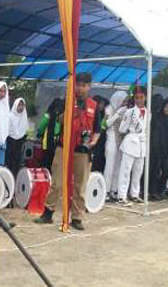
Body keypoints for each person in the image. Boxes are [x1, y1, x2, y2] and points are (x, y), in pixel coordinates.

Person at [35, 72, 99, 230]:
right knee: (57, 182)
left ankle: (77, 218)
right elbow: (58, 121)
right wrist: (72, 110)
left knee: (79, 186)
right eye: (78, 85)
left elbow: (97, 129)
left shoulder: (94, 106)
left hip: (83, 151)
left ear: (89, 87)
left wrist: (93, 142)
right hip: (64, 147)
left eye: (84, 85)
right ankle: (48, 213)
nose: (80, 88)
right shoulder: (67, 101)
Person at [116, 86, 148, 205]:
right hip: (130, 143)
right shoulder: (130, 112)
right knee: (126, 170)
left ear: (145, 97)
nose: (139, 100)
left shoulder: (148, 112)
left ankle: (134, 194)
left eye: (141, 97)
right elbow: (122, 129)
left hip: (141, 145)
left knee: (138, 171)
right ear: (134, 99)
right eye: (137, 98)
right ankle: (122, 195)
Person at [103, 91, 128, 200]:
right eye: (123, 101)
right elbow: (107, 123)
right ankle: (105, 191)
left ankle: (113, 189)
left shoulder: (124, 110)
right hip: (111, 139)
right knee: (109, 166)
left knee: (117, 166)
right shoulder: (109, 108)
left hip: (119, 139)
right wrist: (117, 114)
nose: (124, 103)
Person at [148, 96, 168, 200]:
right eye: (165, 107)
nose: (167, 109)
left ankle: (160, 190)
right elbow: (154, 134)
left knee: (166, 172)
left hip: (165, 150)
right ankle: (153, 192)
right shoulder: (156, 117)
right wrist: (154, 147)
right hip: (156, 149)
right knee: (155, 171)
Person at [35, 97, 64, 171]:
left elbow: (42, 125)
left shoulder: (48, 114)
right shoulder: (63, 116)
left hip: (47, 143)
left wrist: (39, 134)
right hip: (58, 144)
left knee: (46, 162)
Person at [6, 97, 28, 176]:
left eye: (22, 105)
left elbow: (25, 130)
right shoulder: (10, 116)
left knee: (17, 164)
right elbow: (8, 130)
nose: (21, 107)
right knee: (9, 163)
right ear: (15, 105)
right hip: (10, 141)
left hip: (20, 143)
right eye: (19, 105)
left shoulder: (24, 117)